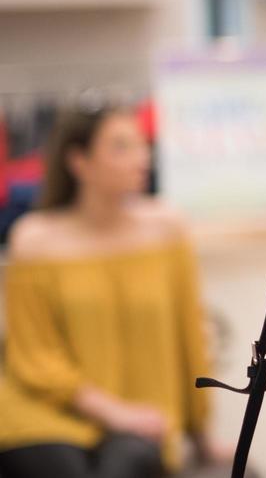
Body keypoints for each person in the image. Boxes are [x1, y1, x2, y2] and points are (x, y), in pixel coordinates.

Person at [0, 105, 227, 478]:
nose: (142, 157)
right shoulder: (34, 239)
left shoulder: (166, 229)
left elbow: (189, 339)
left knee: (126, 459)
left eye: (143, 145)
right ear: (79, 161)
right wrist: (113, 411)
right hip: (40, 414)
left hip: (142, 420)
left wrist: (200, 434)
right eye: (122, 147)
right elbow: (33, 357)